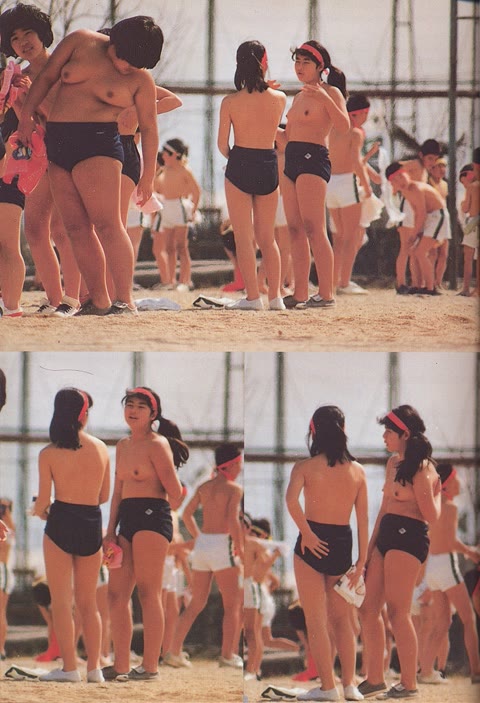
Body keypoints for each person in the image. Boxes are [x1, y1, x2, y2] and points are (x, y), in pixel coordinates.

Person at [17, 16, 164, 315]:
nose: (126, 67)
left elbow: (149, 129)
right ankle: (97, 300)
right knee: (74, 227)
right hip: (58, 143)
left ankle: (124, 300)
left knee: (108, 224)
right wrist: (26, 117)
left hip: (99, 144)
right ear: (115, 42)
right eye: (123, 58)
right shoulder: (80, 41)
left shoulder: (141, 81)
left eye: (134, 65)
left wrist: (148, 175)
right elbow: (45, 78)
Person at [0, 3, 83, 318]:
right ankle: (53, 298)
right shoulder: (18, 76)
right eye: (14, 37)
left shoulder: (64, 69)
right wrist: (17, 99)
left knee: (64, 228)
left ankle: (72, 299)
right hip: (37, 158)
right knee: (35, 229)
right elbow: (28, 122)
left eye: (28, 33)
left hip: (68, 153)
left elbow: (62, 116)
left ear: (42, 33)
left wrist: (34, 93)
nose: (23, 42)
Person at [103, 386, 186, 682]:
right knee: (116, 594)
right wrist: (110, 531)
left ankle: (150, 667)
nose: (133, 410)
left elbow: (176, 493)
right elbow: (117, 491)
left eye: (140, 406)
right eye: (129, 404)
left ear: (153, 414)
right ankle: (121, 665)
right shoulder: (122, 445)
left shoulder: (158, 444)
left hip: (153, 515)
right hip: (126, 518)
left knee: (148, 592)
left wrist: (163, 518)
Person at [285, 405, 368, 702]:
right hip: (342, 542)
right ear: (343, 429)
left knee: (316, 620)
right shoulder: (358, 471)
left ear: (314, 431)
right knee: (343, 620)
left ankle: (328, 688)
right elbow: (362, 520)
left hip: (311, 541)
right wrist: (362, 561)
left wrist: (307, 534)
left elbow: (290, 501)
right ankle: (350, 686)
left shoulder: (304, 467)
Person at [358, 405, 441, 700]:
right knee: (368, 609)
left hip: (410, 536)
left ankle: (409, 684)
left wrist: (431, 492)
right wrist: (367, 553)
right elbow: (383, 509)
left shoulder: (424, 469)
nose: (384, 436)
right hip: (387, 533)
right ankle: (375, 679)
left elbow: (432, 515)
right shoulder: (393, 463)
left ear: (404, 434)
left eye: (389, 431)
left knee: (397, 612)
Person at [32, 388, 110, 682]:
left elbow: (43, 502)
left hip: (60, 521)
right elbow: (103, 496)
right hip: (91, 522)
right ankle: (95, 668)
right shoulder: (101, 448)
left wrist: (41, 512)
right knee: (89, 604)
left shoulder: (48, 453)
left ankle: (68, 669)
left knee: (62, 602)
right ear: (82, 414)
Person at [280, 41, 349, 310]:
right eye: (297, 62)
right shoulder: (298, 96)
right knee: (294, 229)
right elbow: (287, 137)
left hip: (314, 157)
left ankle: (326, 293)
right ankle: (299, 293)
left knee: (313, 227)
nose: (299, 67)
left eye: (305, 63)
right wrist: (262, 123)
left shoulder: (331, 92)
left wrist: (325, 98)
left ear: (321, 66)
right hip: (292, 157)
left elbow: (343, 125)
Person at [217, 40, 286, 310]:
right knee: (267, 238)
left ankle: (253, 298)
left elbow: (222, 145)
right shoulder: (280, 98)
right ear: (264, 62)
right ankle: (276, 297)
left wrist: (235, 159)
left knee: (244, 238)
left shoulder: (229, 102)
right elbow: (264, 101)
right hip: (267, 162)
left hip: (240, 162)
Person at [164, 443, 244, 669]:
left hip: (203, 545)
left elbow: (187, 515)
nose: (240, 468)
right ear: (232, 465)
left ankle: (174, 651)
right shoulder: (234, 489)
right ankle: (227, 655)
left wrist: (199, 537)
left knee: (196, 602)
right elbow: (233, 520)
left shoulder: (204, 487)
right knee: (233, 605)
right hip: (223, 545)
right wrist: (240, 547)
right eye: (239, 464)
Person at [418, 463, 480, 685]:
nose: (460, 482)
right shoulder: (451, 507)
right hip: (446, 564)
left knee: (442, 622)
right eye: (456, 478)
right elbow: (451, 541)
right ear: (448, 483)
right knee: (469, 618)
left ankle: (426, 671)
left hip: (432, 568)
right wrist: (471, 552)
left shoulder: (433, 506)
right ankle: (476, 672)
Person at [326, 93, 372, 295]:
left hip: (330, 183)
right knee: (352, 238)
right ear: (360, 113)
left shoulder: (332, 129)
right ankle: (344, 283)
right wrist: (367, 185)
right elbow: (355, 161)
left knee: (338, 238)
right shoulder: (355, 133)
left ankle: (333, 282)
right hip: (347, 183)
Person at [385, 162, 450, 295]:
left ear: (407, 174)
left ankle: (431, 288)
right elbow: (416, 212)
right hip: (429, 218)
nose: (400, 181)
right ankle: (418, 285)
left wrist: (414, 234)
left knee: (420, 252)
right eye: (395, 180)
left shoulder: (416, 188)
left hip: (437, 216)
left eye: (401, 176)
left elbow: (422, 212)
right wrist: (417, 231)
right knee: (414, 251)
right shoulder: (405, 191)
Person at [153, 138, 201, 290]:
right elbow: (155, 189)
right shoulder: (163, 171)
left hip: (180, 208)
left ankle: (185, 281)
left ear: (174, 154)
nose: (163, 156)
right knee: (169, 248)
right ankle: (171, 281)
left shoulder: (184, 170)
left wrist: (192, 211)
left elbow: (196, 192)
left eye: (166, 153)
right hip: (166, 209)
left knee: (181, 246)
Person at [458, 163, 479, 296]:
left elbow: (466, 208)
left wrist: (462, 204)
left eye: (463, 182)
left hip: (474, 222)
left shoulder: (472, 187)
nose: (464, 185)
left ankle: (466, 288)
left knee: (468, 256)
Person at [0, 498, 15, 659]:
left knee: (0, 611)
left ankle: (1, 649)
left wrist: (6, 512)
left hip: (2, 570)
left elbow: (5, 542)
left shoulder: (9, 527)